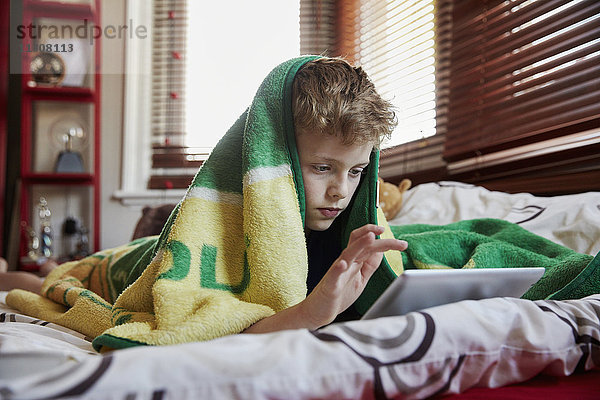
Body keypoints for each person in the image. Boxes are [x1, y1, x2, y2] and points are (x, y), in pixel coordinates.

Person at [244, 57, 407, 333]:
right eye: (322, 168)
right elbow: (209, 328)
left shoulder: (352, 243)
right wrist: (311, 313)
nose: (341, 192)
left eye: (356, 171)